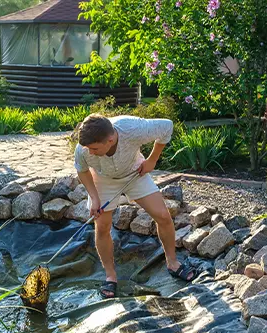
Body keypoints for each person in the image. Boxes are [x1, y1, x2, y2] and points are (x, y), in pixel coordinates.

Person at [74, 113, 195, 298]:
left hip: (135, 173)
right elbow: (82, 170)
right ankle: (110, 276)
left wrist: (152, 160)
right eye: (88, 149)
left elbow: (167, 126)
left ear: (110, 139)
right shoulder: (83, 149)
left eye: (94, 148)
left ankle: (173, 263)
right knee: (103, 225)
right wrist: (94, 197)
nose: (90, 152)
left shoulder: (132, 128)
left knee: (163, 215)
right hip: (103, 179)